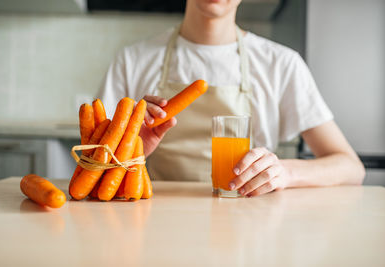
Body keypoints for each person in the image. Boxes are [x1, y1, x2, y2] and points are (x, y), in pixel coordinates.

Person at [98, 0, 365, 197]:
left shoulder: (281, 64)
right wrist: (132, 154)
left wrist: (285, 172)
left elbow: (351, 168)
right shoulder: (132, 60)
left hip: (249, 221)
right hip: (153, 218)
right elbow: (96, 173)